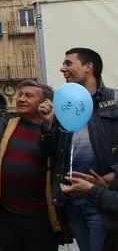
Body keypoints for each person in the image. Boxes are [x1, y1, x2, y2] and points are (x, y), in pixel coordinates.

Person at [0, 79, 68, 251]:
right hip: (7, 214)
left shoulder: (57, 127)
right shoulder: (7, 122)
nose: (21, 99)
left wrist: (48, 124)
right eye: (20, 95)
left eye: (28, 96)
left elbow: (54, 151)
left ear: (46, 102)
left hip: (41, 217)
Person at [53, 47, 118, 251]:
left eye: (68, 63)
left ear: (89, 67)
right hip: (72, 200)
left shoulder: (115, 100)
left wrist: (112, 175)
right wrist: (48, 126)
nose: (62, 68)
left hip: (103, 200)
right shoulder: (64, 104)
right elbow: (54, 150)